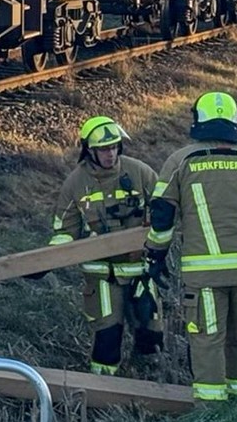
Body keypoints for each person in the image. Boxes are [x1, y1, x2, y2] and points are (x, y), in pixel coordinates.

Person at [146, 92, 237, 402]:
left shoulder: (182, 161)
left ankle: (211, 413)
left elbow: (162, 215)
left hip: (205, 276)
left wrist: (156, 255)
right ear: (234, 123)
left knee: (208, 341)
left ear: (198, 121)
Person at [39, 116, 163, 375]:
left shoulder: (140, 172)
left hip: (140, 271)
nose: (110, 154)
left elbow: (165, 209)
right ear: (89, 151)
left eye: (114, 146)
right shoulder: (75, 183)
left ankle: (149, 382)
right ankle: (104, 391)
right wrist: (45, 260)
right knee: (108, 336)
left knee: (151, 334)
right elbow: (64, 231)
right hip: (102, 277)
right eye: (103, 149)